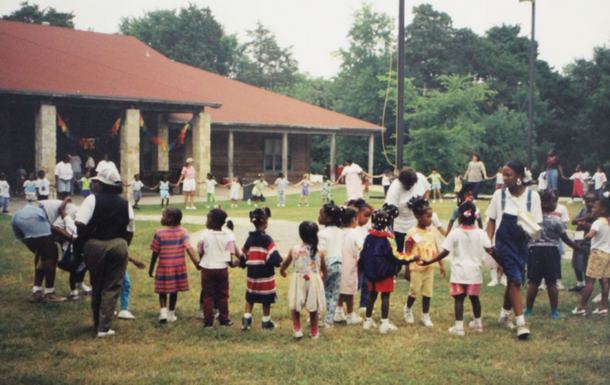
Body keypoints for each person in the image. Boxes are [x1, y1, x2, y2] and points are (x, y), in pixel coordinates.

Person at [74, 167, 135, 338]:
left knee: (97, 284)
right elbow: (130, 230)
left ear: (101, 185)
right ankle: (104, 327)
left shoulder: (92, 200)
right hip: (118, 244)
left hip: (94, 245)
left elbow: (79, 222)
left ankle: (97, 323)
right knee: (112, 286)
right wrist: (123, 245)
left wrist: (88, 236)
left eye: (97, 182)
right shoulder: (125, 204)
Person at [486, 161, 542, 340]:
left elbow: (537, 224)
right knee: (516, 281)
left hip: (522, 244)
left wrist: (528, 229)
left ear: (519, 177)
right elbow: (492, 219)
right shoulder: (499, 195)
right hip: (503, 244)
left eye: (508, 175)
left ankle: (504, 315)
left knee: (513, 279)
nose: (504, 178)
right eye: (503, 175)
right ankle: (521, 324)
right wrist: (489, 242)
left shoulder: (532, 197)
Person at [420, 201, 492, 336]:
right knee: (474, 298)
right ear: (475, 217)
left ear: (459, 216)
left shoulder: (454, 233)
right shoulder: (481, 233)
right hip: (474, 274)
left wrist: (429, 261)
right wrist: (502, 264)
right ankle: (478, 324)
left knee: (459, 299)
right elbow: (490, 249)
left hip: (459, 273)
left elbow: (444, 252)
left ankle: (459, 327)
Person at [524, 190, 583, 320]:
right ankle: (554, 312)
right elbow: (565, 239)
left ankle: (528, 310)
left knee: (533, 281)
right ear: (545, 203)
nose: (556, 203)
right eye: (554, 200)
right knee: (551, 282)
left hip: (534, 252)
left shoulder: (532, 219)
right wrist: (578, 248)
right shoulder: (556, 220)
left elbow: (525, 236)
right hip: (551, 253)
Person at [361, 208, 417, 334]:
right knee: (385, 296)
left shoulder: (368, 237)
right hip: (385, 272)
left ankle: (367, 320)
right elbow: (396, 256)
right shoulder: (388, 239)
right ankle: (384, 323)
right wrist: (412, 257)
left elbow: (363, 253)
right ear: (388, 223)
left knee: (372, 294)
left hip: (371, 272)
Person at [11, 198, 77, 303]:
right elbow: (55, 227)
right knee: (51, 254)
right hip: (33, 216)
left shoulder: (70, 210)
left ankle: (37, 292)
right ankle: (49, 293)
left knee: (42, 254)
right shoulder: (74, 210)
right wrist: (75, 240)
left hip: (19, 215)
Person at [149, 208, 199, 323]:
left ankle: (163, 311)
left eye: (163, 215)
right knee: (174, 290)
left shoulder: (159, 233)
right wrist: (196, 262)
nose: (162, 218)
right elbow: (188, 247)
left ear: (170, 219)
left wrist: (151, 267)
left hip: (163, 267)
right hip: (178, 267)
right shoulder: (183, 232)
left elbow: (155, 252)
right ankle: (171, 313)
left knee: (162, 290)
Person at [280, 221, 327, 339]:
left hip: (298, 280)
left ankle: (297, 329)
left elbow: (285, 264)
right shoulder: (319, 251)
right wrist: (322, 275)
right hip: (313, 280)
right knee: (313, 307)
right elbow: (324, 268)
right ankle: (314, 332)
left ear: (300, 234)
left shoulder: (294, 250)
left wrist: (282, 271)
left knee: (295, 305)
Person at [403, 197, 445, 327]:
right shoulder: (412, 232)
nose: (430, 219)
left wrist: (441, 264)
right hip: (416, 267)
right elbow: (408, 251)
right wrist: (407, 269)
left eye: (431, 216)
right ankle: (407, 310)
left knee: (428, 292)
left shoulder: (432, 231)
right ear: (418, 217)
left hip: (430, 266)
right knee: (414, 290)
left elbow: (435, 247)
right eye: (427, 217)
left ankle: (425, 316)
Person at [240, 207, 283, 330]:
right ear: (265, 222)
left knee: (250, 296)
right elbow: (274, 255)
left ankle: (246, 319)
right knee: (266, 299)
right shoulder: (267, 239)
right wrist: (282, 265)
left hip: (252, 275)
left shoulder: (250, 239)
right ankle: (266, 321)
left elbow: (244, 254)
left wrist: (241, 263)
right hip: (265, 275)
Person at [198, 208, 242, 328]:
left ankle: (208, 321)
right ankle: (224, 319)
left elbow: (200, 250)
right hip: (221, 268)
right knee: (223, 294)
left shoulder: (205, 234)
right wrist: (233, 263)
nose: (206, 221)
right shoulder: (227, 234)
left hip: (207, 268)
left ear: (214, 222)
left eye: (208, 219)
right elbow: (230, 251)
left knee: (208, 295)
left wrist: (202, 259)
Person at [572, 196, 610, 316]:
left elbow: (590, 235)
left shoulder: (598, 222)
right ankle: (603, 307)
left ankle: (581, 307)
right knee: (605, 281)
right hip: (608, 254)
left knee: (590, 281)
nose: (592, 209)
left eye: (594, 207)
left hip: (597, 254)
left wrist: (581, 244)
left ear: (602, 210)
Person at [384, 167, 431, 252]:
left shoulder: (420, 178)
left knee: (417, 248)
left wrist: (424, 202)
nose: (409, 187)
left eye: (411, 185)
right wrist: (391, 233)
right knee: (399, 252)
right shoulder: (395, 188)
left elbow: (428, 188)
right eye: (406, 185)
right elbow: (389, 211)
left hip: (415, 225)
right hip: (400, 226)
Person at [334, 206, 364, 325]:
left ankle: (339, 311)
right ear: (354, 219)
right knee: (350, 292)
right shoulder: (356, 233)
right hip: (350, 266)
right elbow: (360, 249)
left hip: (339, 264)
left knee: (340, 289)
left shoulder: (338, 232)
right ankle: (350, 315)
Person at [318, 201, 344, 328]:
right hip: (339, 265)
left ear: (328, 218)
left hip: (326, 265)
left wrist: (320, 269)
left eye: (321, 214)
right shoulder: (339, 232)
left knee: (319, 292)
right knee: (333, 294)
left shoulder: (322, 234)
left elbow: (322, 252)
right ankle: (329, 321)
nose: (319, 216)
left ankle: (317, 318)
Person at [568, 191, 598, 292]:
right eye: (587, 201)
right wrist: (585, 219)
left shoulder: (598, 213)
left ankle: (587, 285)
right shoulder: (583, 210)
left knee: (586, 263)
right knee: (576, 261)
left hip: (590, 241)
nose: (590, 204)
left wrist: (584, 224)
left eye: (593, 201)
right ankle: (580, 283)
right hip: (578, 239)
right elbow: (574, 221)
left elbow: (595, 227)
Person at [347, 198, 374, 312]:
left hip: (367, 260)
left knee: (367, 283)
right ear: (356, 215)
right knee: (356, 283)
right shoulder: (352, 228)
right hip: (355, 261)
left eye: (369, 216)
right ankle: (344, 299)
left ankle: (363, 304)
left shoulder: (367, 227)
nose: (367, 219)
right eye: (365, 216)